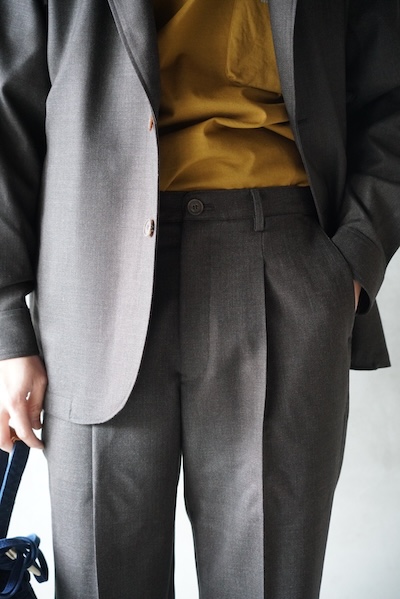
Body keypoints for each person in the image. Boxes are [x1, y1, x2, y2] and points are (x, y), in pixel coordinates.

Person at [0, 1, 399, 597]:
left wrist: (354, 258)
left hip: (284, 263)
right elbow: (8, 104)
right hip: (91, 274)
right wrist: (6, 323)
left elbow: (390, 93)